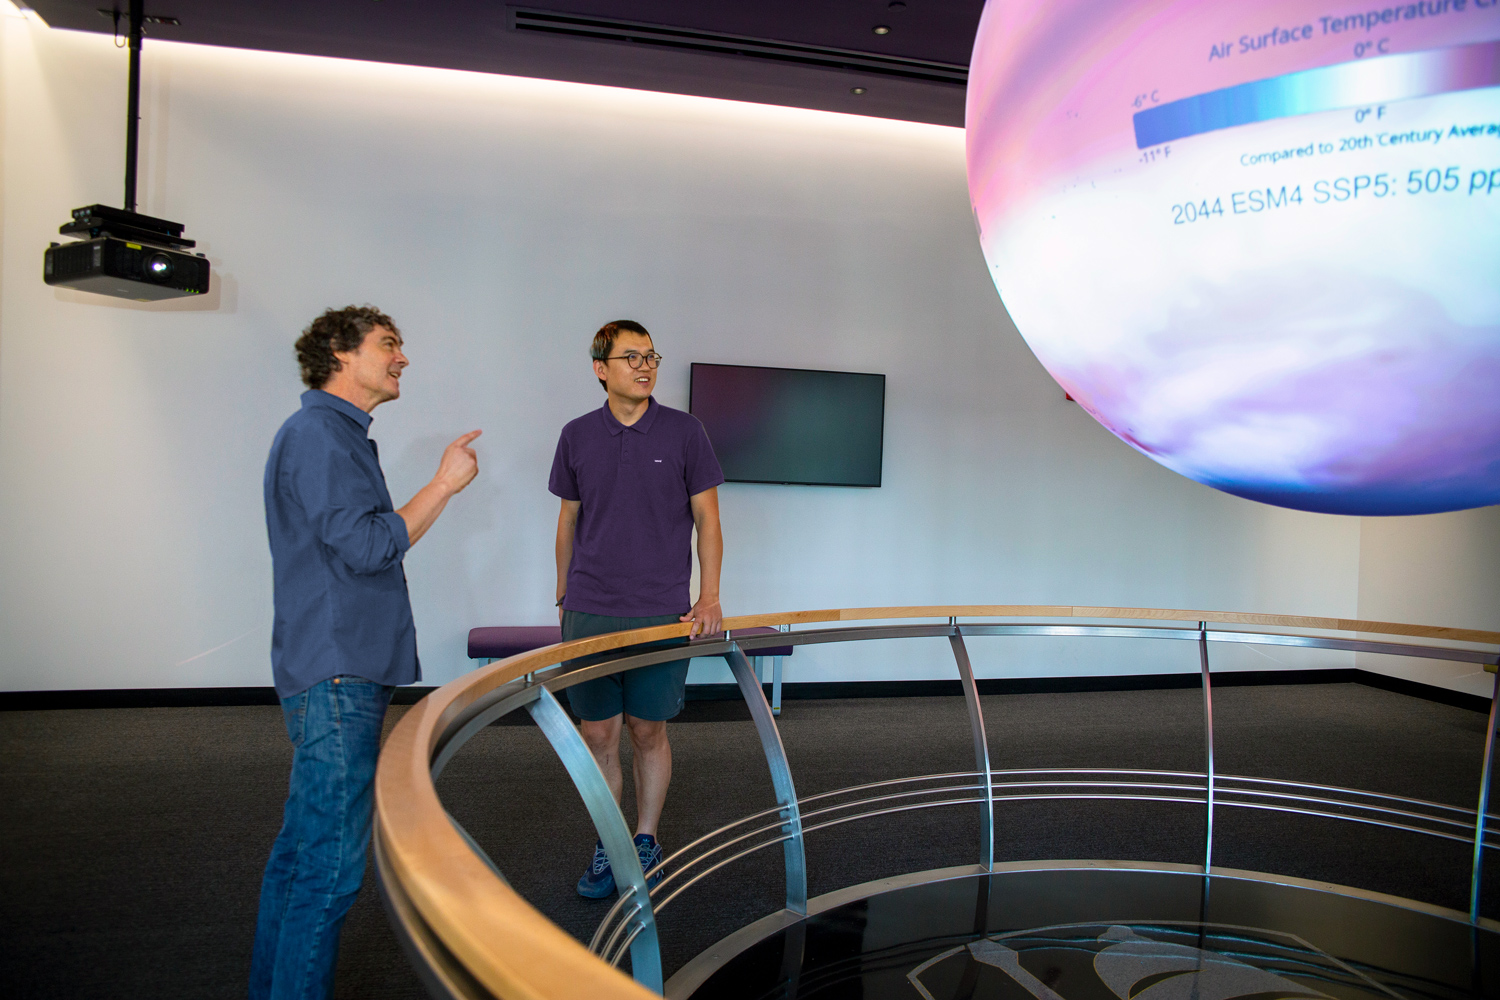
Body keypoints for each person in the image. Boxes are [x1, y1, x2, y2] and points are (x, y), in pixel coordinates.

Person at [251, 305, 481, 1000]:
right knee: (326, 869)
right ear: (339, 354)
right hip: (336, 672)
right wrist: (442, 485)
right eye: (389, 344)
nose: (403, 357)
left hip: (334, 667)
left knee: (301, 857)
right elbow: (371, 546)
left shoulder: (330, 434)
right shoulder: (321, 435)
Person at [549, 319, 725, 899]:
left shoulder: (685, 432)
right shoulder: (576, 436)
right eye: (631, 357)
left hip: (660, 610)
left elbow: (708, 521)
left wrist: (710, 595)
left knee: (648, 729)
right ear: (601, 369)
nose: (645, 366)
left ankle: (645, 839)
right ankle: (610, 841)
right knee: (597, 731)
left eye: (651, 356)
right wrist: (562, 593)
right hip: (592, 606)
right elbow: (568, 520)